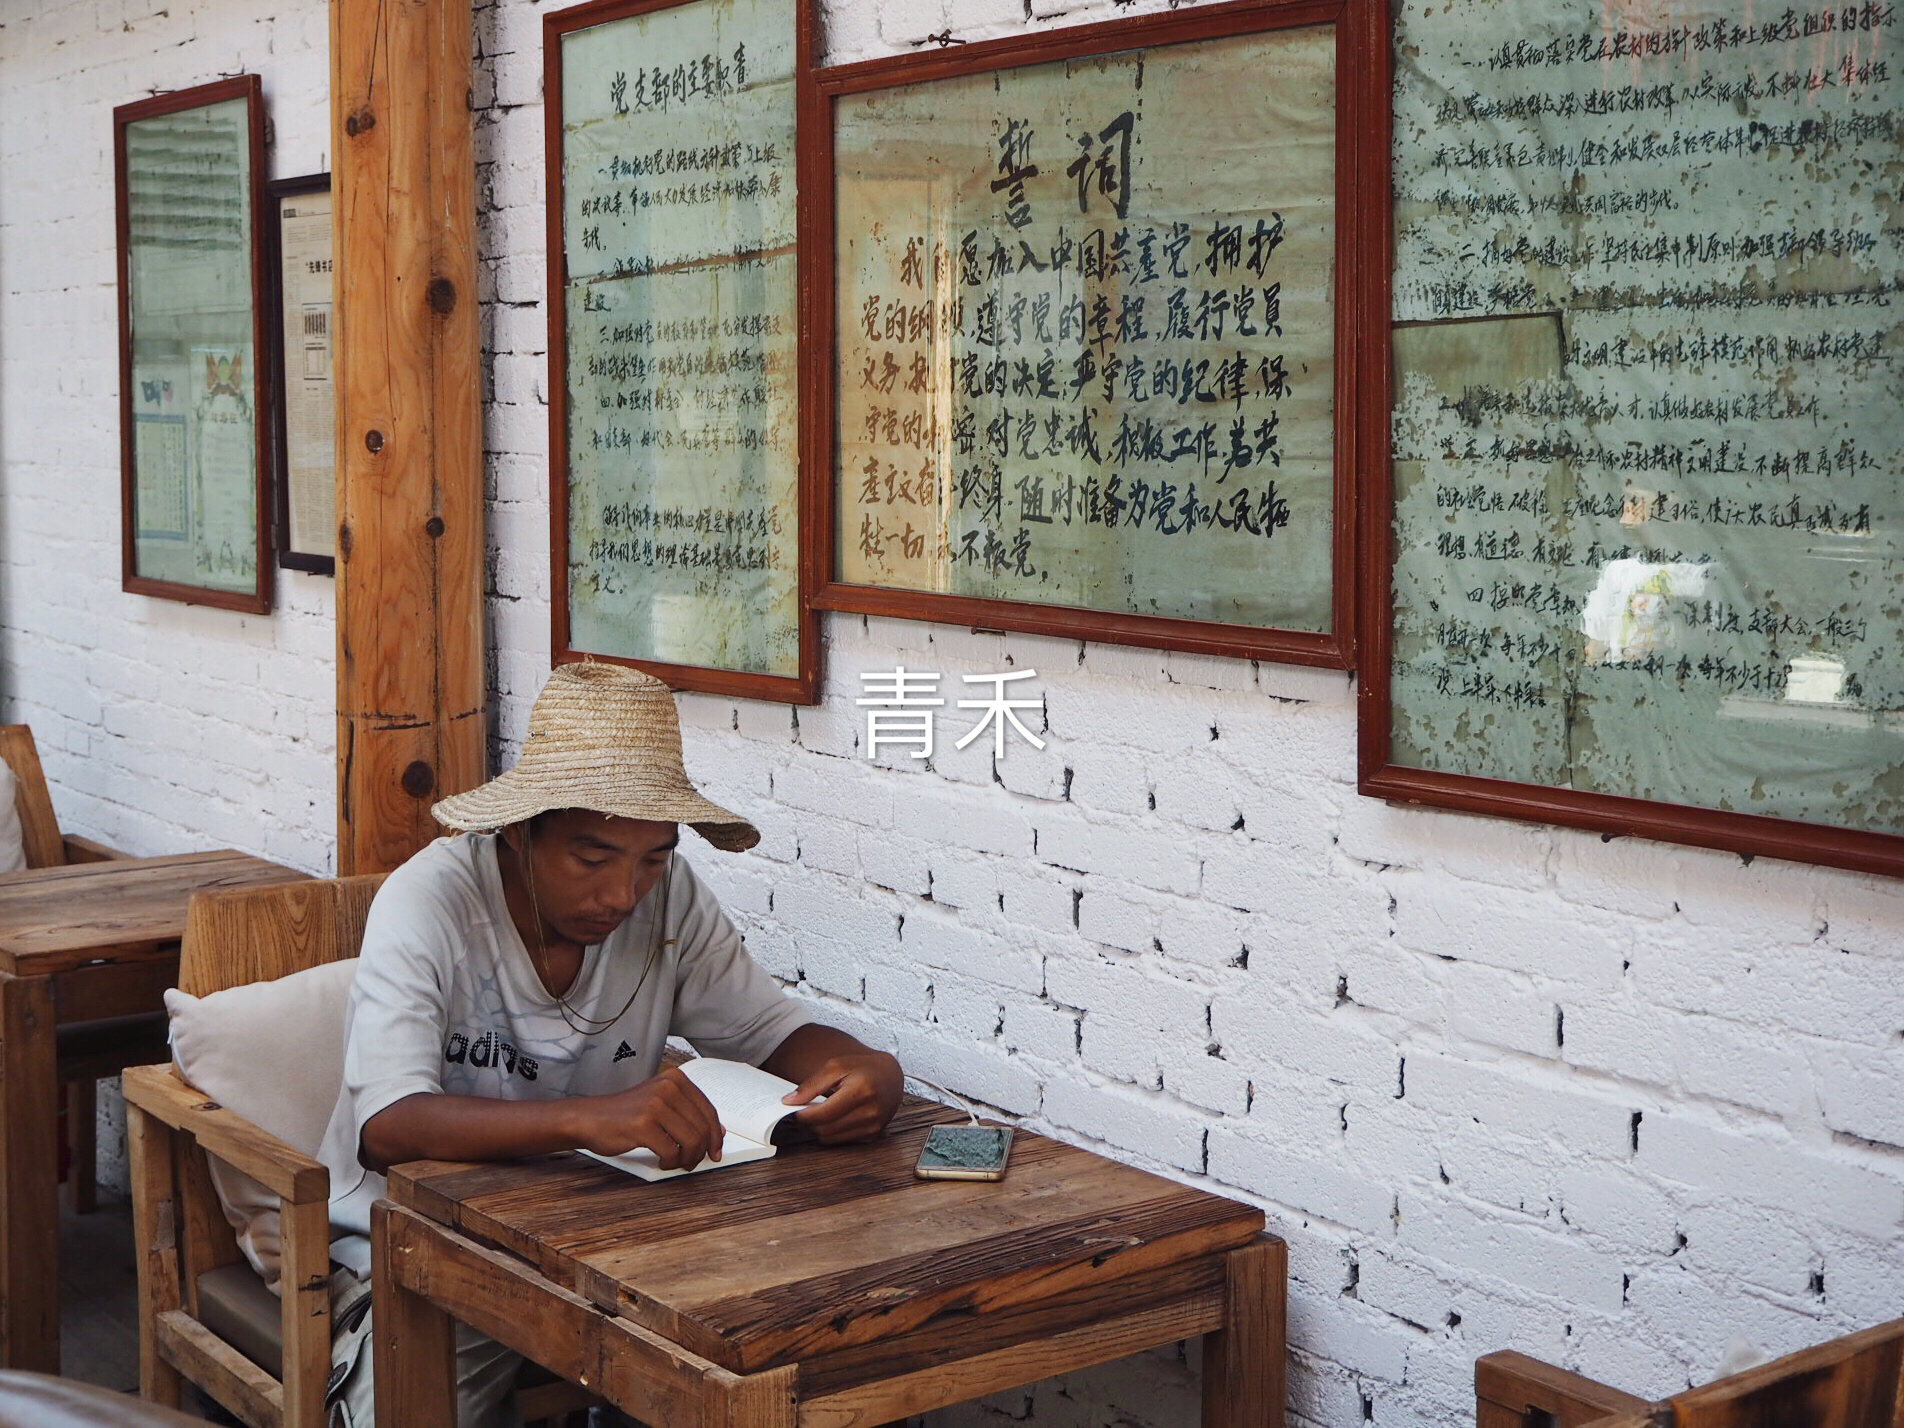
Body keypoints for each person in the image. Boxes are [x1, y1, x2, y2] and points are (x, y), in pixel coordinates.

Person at [316, 661, 903, 1425]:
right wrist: (589, 1118)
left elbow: (765, 1031)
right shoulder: (430, 902)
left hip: (608, 1235)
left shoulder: (671, 902)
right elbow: (387, 1127)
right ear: (522, 833)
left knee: (762, 1359)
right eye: (592, 859)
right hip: (419, 1237)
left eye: (652, 860)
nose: (623, 896)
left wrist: (867, 1069)